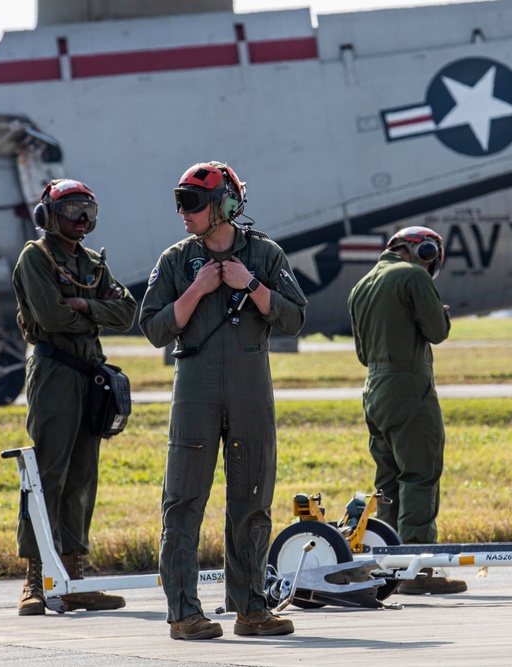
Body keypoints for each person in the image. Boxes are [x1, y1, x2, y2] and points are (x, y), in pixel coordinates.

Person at [140, 161, 307, 640]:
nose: (182, 212)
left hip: (251, 391)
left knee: (251, 501)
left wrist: (250, 286)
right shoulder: (175, 260)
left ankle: (251, 608)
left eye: (191, 203)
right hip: (195, 391)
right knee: (184, 502)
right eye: (179, 201)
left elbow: (294, 318)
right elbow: (152, 329)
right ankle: (183, 613)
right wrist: (199, 289)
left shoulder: (265, 255)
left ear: (224, 205)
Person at [13, 178, 137, 616]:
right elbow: (50, 316)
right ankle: (35, 580)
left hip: (90, 375)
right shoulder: (36, 257)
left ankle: (71, 579)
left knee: (83, 477)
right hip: (54, 372)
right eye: (71, 210)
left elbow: (127, 311)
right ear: (48, 215)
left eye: (88, 210)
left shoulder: (91, 263)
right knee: (45, 474)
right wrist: (91, 312)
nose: (82, 219)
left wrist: (86, 308)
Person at [347, 226, 467, 595]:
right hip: (408, 386)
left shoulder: (362, 285)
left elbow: (362, 353)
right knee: (420, 474)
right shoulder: (413, 276)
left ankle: (391, 564)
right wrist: (440, 313)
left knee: (388, 481)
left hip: (374, 387)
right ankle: (418, 568)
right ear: (426, 251)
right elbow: (437, 332)